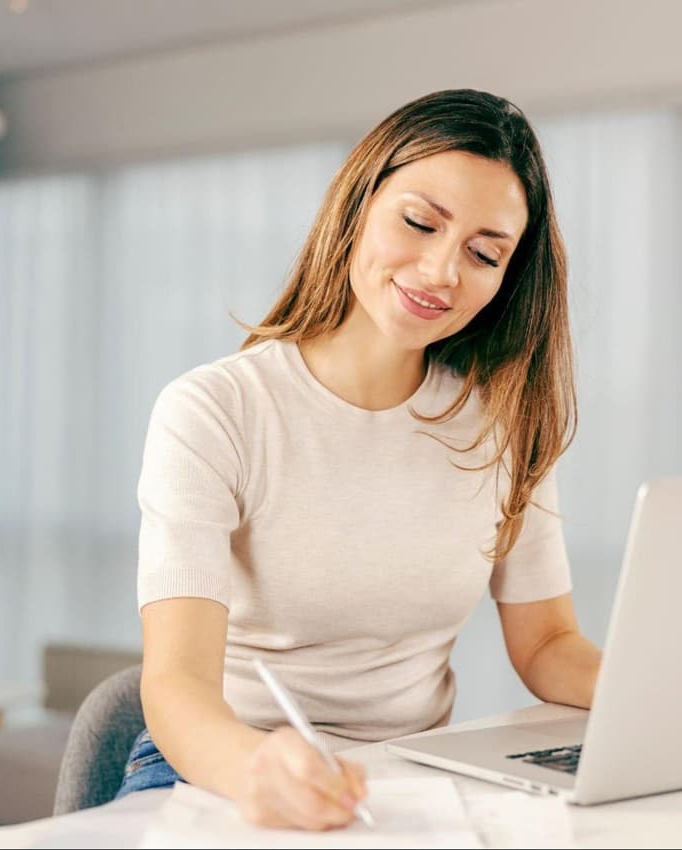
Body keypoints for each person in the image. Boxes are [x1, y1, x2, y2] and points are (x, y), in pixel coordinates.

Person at [119, 88, 603, 831]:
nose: (442, 271)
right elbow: (177, 684)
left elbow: (546, 644)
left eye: (483, 253)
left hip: (411, 776)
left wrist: (665, 695)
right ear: (357, 205)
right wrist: (257, 772)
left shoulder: (504, 427)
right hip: (227, 767)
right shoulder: (215, 411)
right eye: (419, 222)